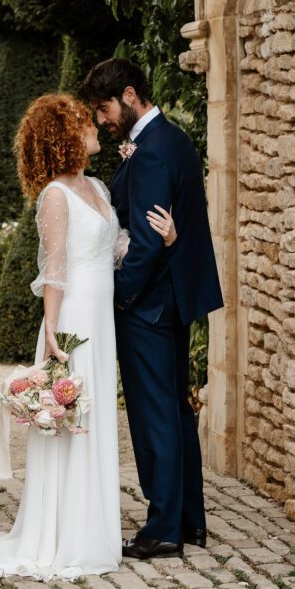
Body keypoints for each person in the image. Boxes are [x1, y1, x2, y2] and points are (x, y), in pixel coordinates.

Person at [0, 93, 176, 580]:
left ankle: (92, 529)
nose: (95, 126)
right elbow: (54, 269)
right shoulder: (54, 195)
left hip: (103, 319)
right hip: (75, 320)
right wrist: (52, 333)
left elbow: (115, 249)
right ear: (66, 136)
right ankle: (65, 536)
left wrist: (164, 238)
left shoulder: (96, 185)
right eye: (84, 122)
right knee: (73, 422)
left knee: (97, 419)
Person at [79, 59, 224, 561]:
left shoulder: (154, 152)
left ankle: (163, 529)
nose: (101, 120)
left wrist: (118, 298)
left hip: (149, 307)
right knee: (177, 412)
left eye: (103, 109)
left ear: (130, 94)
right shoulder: (170, 139)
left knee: (154, 415)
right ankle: (188, 521)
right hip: (172, 299)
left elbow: (144, 243)